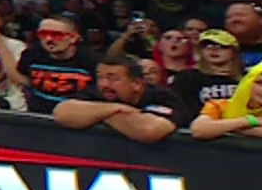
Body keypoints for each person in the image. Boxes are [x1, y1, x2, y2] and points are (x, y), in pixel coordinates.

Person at [52, 53, 183, 143]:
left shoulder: (162, 96)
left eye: (113, 79)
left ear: (136, 84)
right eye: (100, 78)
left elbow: (150, 130)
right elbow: (61, 112)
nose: (104, 84)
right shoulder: (99, 92)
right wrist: (118, 109)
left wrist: (95, 114)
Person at [186, 62, 262, 141]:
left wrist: (228, 127)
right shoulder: (221, 105)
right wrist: (250, 121)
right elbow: (198, 130)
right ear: (247, 83)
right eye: (260, 83)